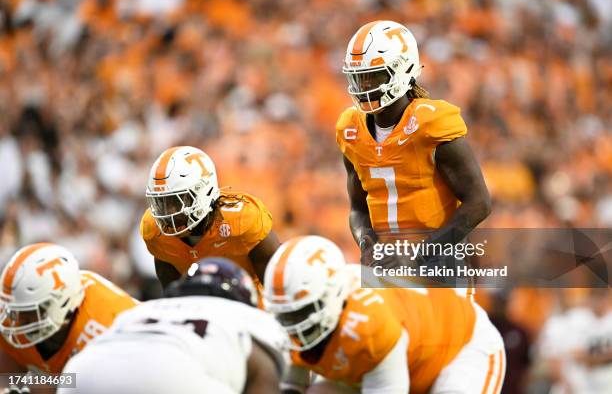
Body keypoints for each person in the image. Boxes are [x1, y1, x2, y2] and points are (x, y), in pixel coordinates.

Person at [336, 20, 491, 272]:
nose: (364, 88)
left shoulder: (430, 122)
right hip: (388, 268)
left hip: (439, 266)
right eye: (358, 78)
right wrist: (368, 247)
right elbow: (357, 209)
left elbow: (479, 202)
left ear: (401, 69)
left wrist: (417, 257)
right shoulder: (350, 128)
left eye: (372, 77)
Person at [263, 236, 505, 394]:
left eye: (302, 312)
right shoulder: (311, 317)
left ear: (334, 294)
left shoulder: (370, 324)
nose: (294, 326)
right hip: (406, 355)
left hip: (460, 349)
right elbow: (290, 386)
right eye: (287, 316)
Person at [60, 258, 287, 394]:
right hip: (176, 377)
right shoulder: (245, 317)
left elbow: (45, 380)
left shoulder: (142, 310)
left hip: (81, 374)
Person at [140, 145, 280, 290]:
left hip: (253, 308)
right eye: (161, 202)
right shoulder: (154, 231)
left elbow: (278, 284)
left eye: (176, 201)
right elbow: (174, 296)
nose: (168, 213)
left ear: (203, 191)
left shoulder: (242, 220)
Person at [0, 243, 137, 374]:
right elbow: (9, 377)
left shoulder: (106, 329)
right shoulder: (13, 320)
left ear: (62, 304)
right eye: (15, 311)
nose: (17, 320)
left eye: (28, 312)